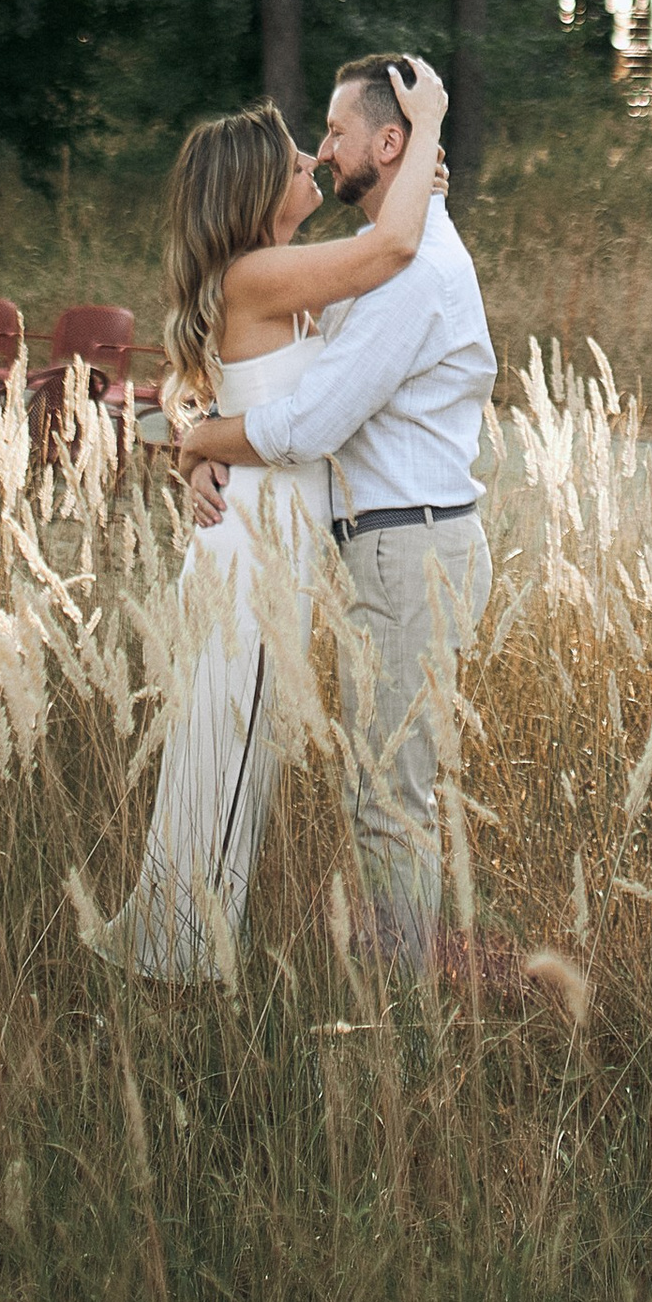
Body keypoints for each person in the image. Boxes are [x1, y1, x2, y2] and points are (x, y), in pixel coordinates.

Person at [87, 57, 449, 980]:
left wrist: (196, 439)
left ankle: (182, 953)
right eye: (295, 156)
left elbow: (214, 395)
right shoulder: (261, 275)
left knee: (236, 759)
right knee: (226, 758)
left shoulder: (265, 279)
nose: (313, 160)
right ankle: (179, 967)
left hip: (264, 546)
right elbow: (391, 253)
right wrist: (430, 128)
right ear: (256, 192)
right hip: (247, 556)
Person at [173, 50, 497, 969]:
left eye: (335, 134)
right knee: (346, 785)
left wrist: (202, 440)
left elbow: (310, 419)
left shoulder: (411, 265)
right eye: (308, 142)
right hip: (366, 551)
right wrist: (196, 429)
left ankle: (408, 1019)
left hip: (409, 549)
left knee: (388, 799)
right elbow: (242, 371)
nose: (319, 153)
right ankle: (209, 941)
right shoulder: (357, 262)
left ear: (387, 143)